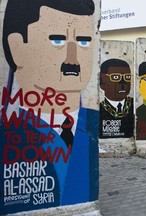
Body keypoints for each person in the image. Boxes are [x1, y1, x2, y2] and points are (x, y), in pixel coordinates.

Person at [1, 0, 99, 213]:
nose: (72, 60)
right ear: (17, 47)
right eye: (57, 40)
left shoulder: (90, 124)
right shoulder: (7, 130)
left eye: (83, 42)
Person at [99, 58, 134, 138]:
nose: (123, 83)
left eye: (127, 77)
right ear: (102, 82)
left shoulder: (135, 107)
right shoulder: (98, 110)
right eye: (115, 77)